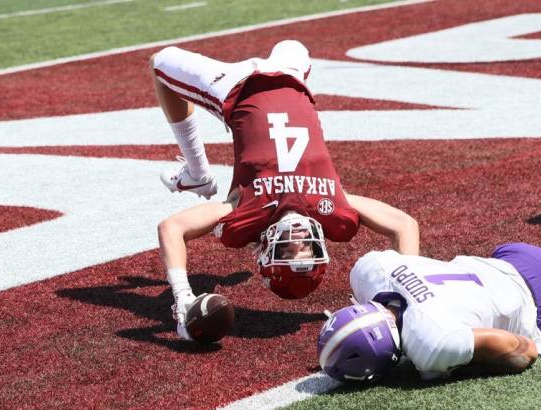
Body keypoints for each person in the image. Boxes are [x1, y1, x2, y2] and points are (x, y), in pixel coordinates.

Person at [149, 41, 419, 340]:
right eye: (307, 250)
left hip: (234, 90)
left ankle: (197, 173)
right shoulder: (334, 210)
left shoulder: (244, 215)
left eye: (289, 251)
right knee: (293, 45)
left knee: (161, 62)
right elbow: (404, 225)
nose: (299, 240)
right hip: (292, 77)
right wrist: (403, 298)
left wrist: (183, 298)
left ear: (266, 251)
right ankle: (197, 175)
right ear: (321, 249)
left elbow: (171, 227)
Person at [317, 243, 541, 382]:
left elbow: (524, 352)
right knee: (499, 283)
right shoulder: (369, 270)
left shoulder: (428, 341)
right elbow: (404, 226)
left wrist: (466, 362)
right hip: (517, 255)